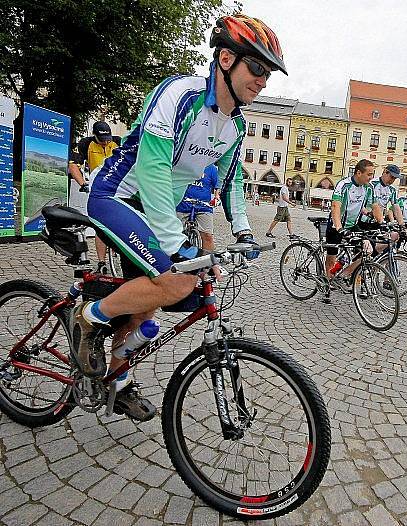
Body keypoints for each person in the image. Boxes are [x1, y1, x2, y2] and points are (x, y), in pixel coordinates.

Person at [71, 14, 287, 421]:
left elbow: (231, 181)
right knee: (176, 277)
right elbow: (152, 170)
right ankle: (86, 319)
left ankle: (117, 377)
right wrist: (175, 244)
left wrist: (243, 231)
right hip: (117, 197)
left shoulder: (234, 127)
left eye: (269, 74)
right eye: (257, 67)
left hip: (157, 213)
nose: (263, 80)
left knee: (158, 300)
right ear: (226, 59)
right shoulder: (181, 94)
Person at [68, 121, 121, 274]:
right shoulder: (85, 144)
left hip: (119, 186)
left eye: (107, 139)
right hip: (98, 188)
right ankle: (102, 262)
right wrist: (83, 183)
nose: (105, 142)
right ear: (94, 136)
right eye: (102, 139)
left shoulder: (117, 142)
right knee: (101, 226)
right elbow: (73, 166)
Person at [325, 159, 383, 286]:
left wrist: (382, 223)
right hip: (337, 225)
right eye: (369, 174)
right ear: (358, 173)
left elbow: (375, 206)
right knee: (331, 260)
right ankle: (327, 284)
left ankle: (344, 274)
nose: (371, 177)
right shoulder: (344, 185)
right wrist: (340, 228)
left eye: (373, 174)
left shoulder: (369, 187)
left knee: (368, 251)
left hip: (353, 226)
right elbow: (335, 207)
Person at [176, 164, 220, 251]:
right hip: (183, 204)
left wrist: (216, 197)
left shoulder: (212, 169)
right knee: (175, 234)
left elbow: (217, 187)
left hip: (204, 206)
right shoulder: (186, 163)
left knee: (208, 236)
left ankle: (209, 262)